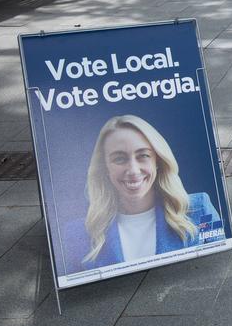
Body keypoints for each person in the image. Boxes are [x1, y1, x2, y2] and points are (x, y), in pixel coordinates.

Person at [74, 115, 222, 271]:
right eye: (119, 159)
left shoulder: (200, 209)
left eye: (143, 156)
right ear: (105, 168)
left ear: (157, 161)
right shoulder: (76, 234)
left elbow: (221, 266)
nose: (133, 170)